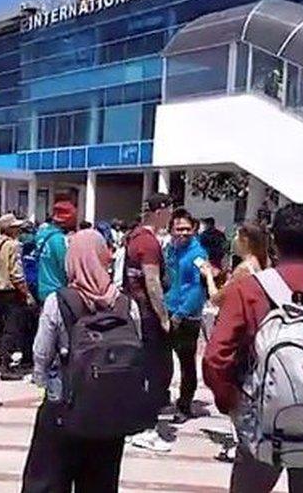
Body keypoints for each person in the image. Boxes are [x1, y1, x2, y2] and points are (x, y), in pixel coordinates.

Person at [203, 203, 303, 493]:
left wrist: (231, 402)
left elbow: (216, 357)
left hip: (260, 419)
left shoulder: (249, 290)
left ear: (274, 241)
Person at [23, 229, 140, 493]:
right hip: (110, 409)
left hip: (65, 405)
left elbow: (41, 353)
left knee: (48, 480)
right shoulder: (125, 304)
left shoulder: (59, 302)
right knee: (100, 483)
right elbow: (136, 349)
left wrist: (43, 382)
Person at [124, 193, 173, 452]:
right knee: (156, 371)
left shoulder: (133, 237)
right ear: (160, 211)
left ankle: (137, 423)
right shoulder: (148, 242)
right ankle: (147, 427)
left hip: (135, 312)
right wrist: (163, 317)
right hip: (147, 314)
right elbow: (152, 282)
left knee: (142, 370)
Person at [164, 208, 209, 424]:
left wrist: (181, 313)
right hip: (169, 309)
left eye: (186, 229)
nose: (182, 233)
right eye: (178, 228)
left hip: (187, 317)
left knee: (186, 364)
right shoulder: (172, 250)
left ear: (194, 229)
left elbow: (197, 290)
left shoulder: (197, 254)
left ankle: (185, 404)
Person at [0, 214, 32, 379]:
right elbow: (16, 273)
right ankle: (6, 364)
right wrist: (26, 293)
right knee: (11, 329)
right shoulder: (13, 246)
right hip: (10, 291)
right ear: (10, 229)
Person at [201, 222, 269, 307]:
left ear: (245, 240)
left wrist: (208, 275)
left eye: (236, 235)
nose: (234, 239)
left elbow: (216, 299)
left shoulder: (244, 268)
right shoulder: (260, 262)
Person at [35, 201, 77, 304]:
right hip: (56, 293)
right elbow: (66, 267)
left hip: (40, 289)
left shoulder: (40, 235)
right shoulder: (60, 240)